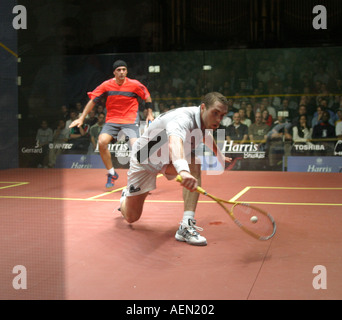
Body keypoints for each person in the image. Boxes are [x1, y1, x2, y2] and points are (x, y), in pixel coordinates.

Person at [119, 92, 232, 246]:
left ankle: (186, 225)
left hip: (166, 160)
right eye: (215, 113)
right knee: (132, 217)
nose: (218, 120)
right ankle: (125, 196)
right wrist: (182, 171)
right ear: (203, 108)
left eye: (222, 115)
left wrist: (218, 154)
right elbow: (175, 143)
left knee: (194, 162)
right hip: (144, 159)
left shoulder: (204, 120)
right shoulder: (182, 119)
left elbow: (205, 134)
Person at [69, 60, 154, 188]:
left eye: (124, 70)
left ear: (126, 71)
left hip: (129, 119)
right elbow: (92, 101)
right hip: (112, 120)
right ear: (114, 72)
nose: (121, 72)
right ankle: (111, 173)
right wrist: (81, 118)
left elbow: (147, 97)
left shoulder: (135, 85)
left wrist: (149, 114)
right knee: (102, 142)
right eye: (118, 70)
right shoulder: (106, 85)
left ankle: (142, 178)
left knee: (136, 147)